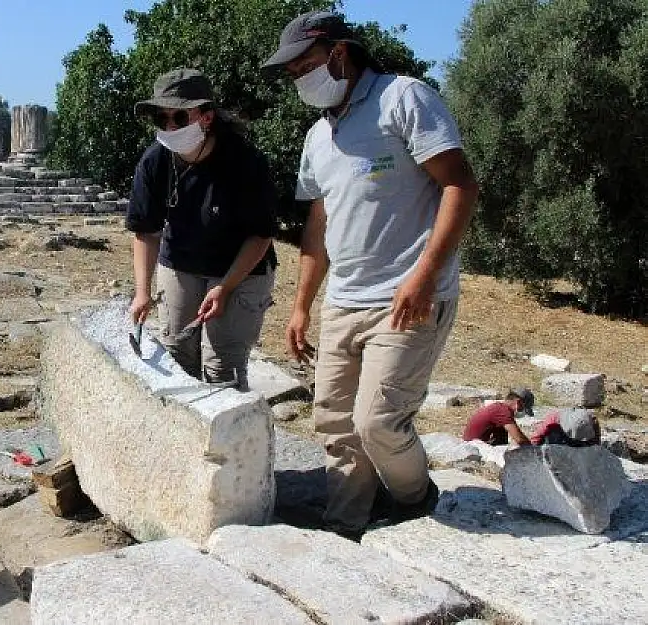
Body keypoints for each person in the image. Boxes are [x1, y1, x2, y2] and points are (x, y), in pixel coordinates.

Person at [263, 11, 479, 538]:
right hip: (345, 299)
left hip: (408, 296)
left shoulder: (403, 99)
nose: (298, 81)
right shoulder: (318, 136)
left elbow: (460, 185)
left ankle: (415, 500)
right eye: (290, 74)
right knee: (335, 426)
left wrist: (424, 276)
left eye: (304, 66)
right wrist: (301, 305)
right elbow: (318, 224)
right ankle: (346, 524)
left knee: (378, 423)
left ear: (339, 53)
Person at [127, 67, 282, 385]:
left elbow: (261, 234)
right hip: (182, 261)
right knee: (176, 357)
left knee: (221, 365)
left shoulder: (245, 162)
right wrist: (142, 291)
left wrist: (224, 287)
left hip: (241, 267)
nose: (170, 127)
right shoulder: (155, 161)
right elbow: (146, 230)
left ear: (207, 117)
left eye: (180, 118)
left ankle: (234, 430)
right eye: (161, 119)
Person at [462, 388, 536, 446]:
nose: (522, 412)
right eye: (523, 408)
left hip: (474, 444)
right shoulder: (503, 412)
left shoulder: (499, 408)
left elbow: (501, 441)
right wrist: (534, 452)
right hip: (473, 447)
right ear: (518, 402)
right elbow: (520, 440)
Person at [530, 407, 601, 446]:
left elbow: (596, 443)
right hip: (559, 440)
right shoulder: (552, 421)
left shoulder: (589, 420)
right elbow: (535, 439)